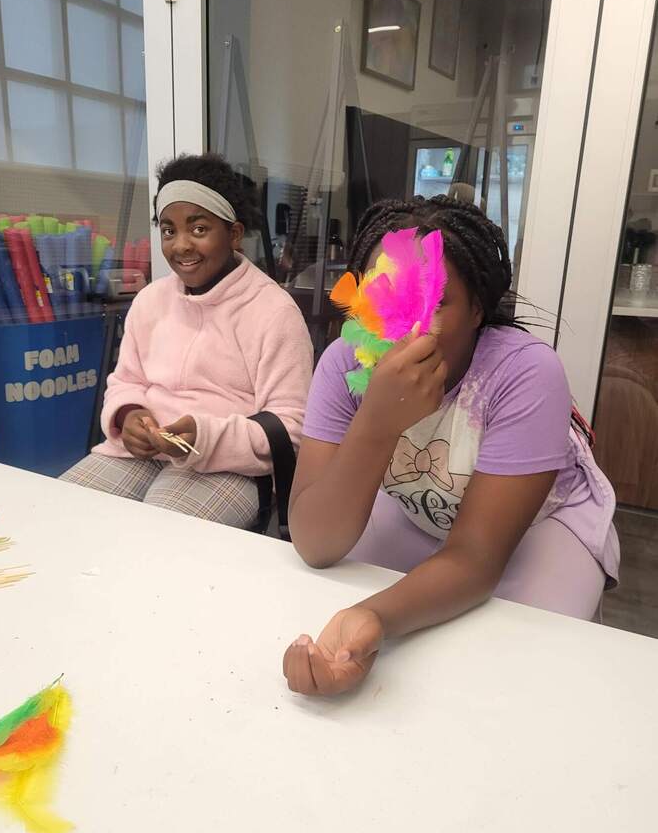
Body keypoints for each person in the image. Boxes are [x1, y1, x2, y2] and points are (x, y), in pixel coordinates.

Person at [283, 196, 619, 697]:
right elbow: (315, 542)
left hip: (540, 526)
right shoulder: (341, 365)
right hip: (419, 504)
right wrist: (376, 421)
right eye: (385, 294)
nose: (404, 323)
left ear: (477, 309)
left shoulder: (526, 373)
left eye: (434, 301)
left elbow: (476, 558)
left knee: (522, 673)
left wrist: (375, 615)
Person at [62, 153, 313, 528]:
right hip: (139, 454)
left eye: (198, 229)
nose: (180, 246)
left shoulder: (273, 311)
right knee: (62, 515)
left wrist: (205, 436)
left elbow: (290, 427)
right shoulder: (151, 300)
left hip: (232, 466)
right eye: (168, 230)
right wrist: (128, 415)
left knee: (159, 537)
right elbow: (126, 381)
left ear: (234, 234)